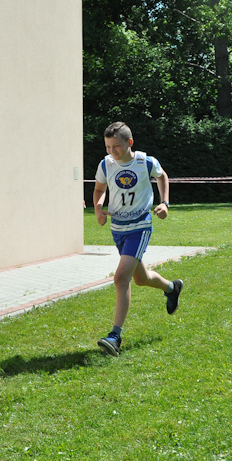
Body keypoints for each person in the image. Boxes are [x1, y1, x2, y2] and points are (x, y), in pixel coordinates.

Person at [93, 121, 183, 356]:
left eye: (116, 146)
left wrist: (165, 203)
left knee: (121, 278)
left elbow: (162, 176)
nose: (112, 151)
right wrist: (98, 208)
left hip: (140, 226)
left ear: (129, 143)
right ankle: (172, 288)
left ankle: (115, 336)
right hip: (118, 229)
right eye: (108, 147)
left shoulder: (145, 162)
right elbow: (99, 190)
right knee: (141, 279)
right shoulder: (106, 165)